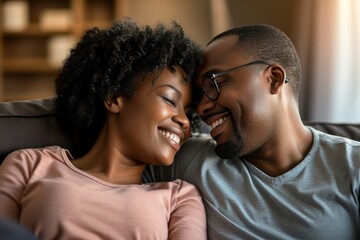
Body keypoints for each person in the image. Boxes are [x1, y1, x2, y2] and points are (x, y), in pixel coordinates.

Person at [147, 24, 360, 239]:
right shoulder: (188, 160)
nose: (202, 108)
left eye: (214, 84)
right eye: (199, 96)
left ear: (274, 79)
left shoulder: (353, 167)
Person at [0, 19, 206, 239]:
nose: (184, 121)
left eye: (187, 111)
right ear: (114, 98)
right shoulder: (30, 165)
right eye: (169, 99)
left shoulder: (179, 197)